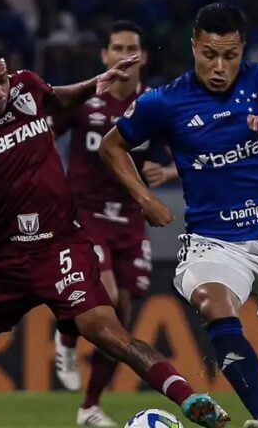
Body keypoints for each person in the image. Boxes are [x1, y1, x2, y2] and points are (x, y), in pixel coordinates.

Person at [0, 36, 229, 428]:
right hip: (3, 263)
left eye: (1, 79)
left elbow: (57, 98)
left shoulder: (26, 87)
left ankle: (191, 400)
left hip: (60, 249)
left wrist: (94, 84)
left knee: (112, 335)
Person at [99, 3, 258, 428]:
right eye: (210, 54)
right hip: (215, 239)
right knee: (213, 304)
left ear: (243, 49)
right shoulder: (165, 101)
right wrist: (142, 197)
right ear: (194, 47)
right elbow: (110, 146)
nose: (220, 66)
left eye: (230, 55)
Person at [51, 21, 177, 426]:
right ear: (104, 56)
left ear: (143, 57)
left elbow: (181, 150)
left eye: (132, 48)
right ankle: (67, 338)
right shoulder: (86, 100)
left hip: (129, 219)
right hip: (84, 213)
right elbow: (43, 136)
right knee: (102, 295)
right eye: (117, 48)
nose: (125, 56)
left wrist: (168, 172)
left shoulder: (153, 105)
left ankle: (89, 406)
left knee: (121, 315)